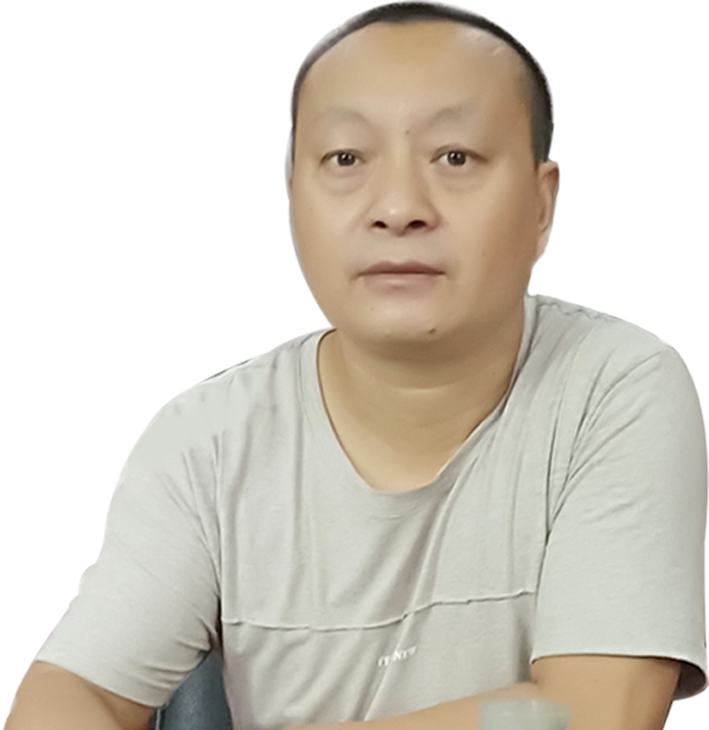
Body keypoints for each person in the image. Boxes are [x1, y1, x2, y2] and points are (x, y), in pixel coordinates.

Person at [7, 4, 705, 730]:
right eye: (346, 159)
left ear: (540, 203)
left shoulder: (614, 390)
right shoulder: (207, 444)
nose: (398, 208)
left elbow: (591, 713)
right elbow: (74, 693)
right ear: (293, 203)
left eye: (455, 157)